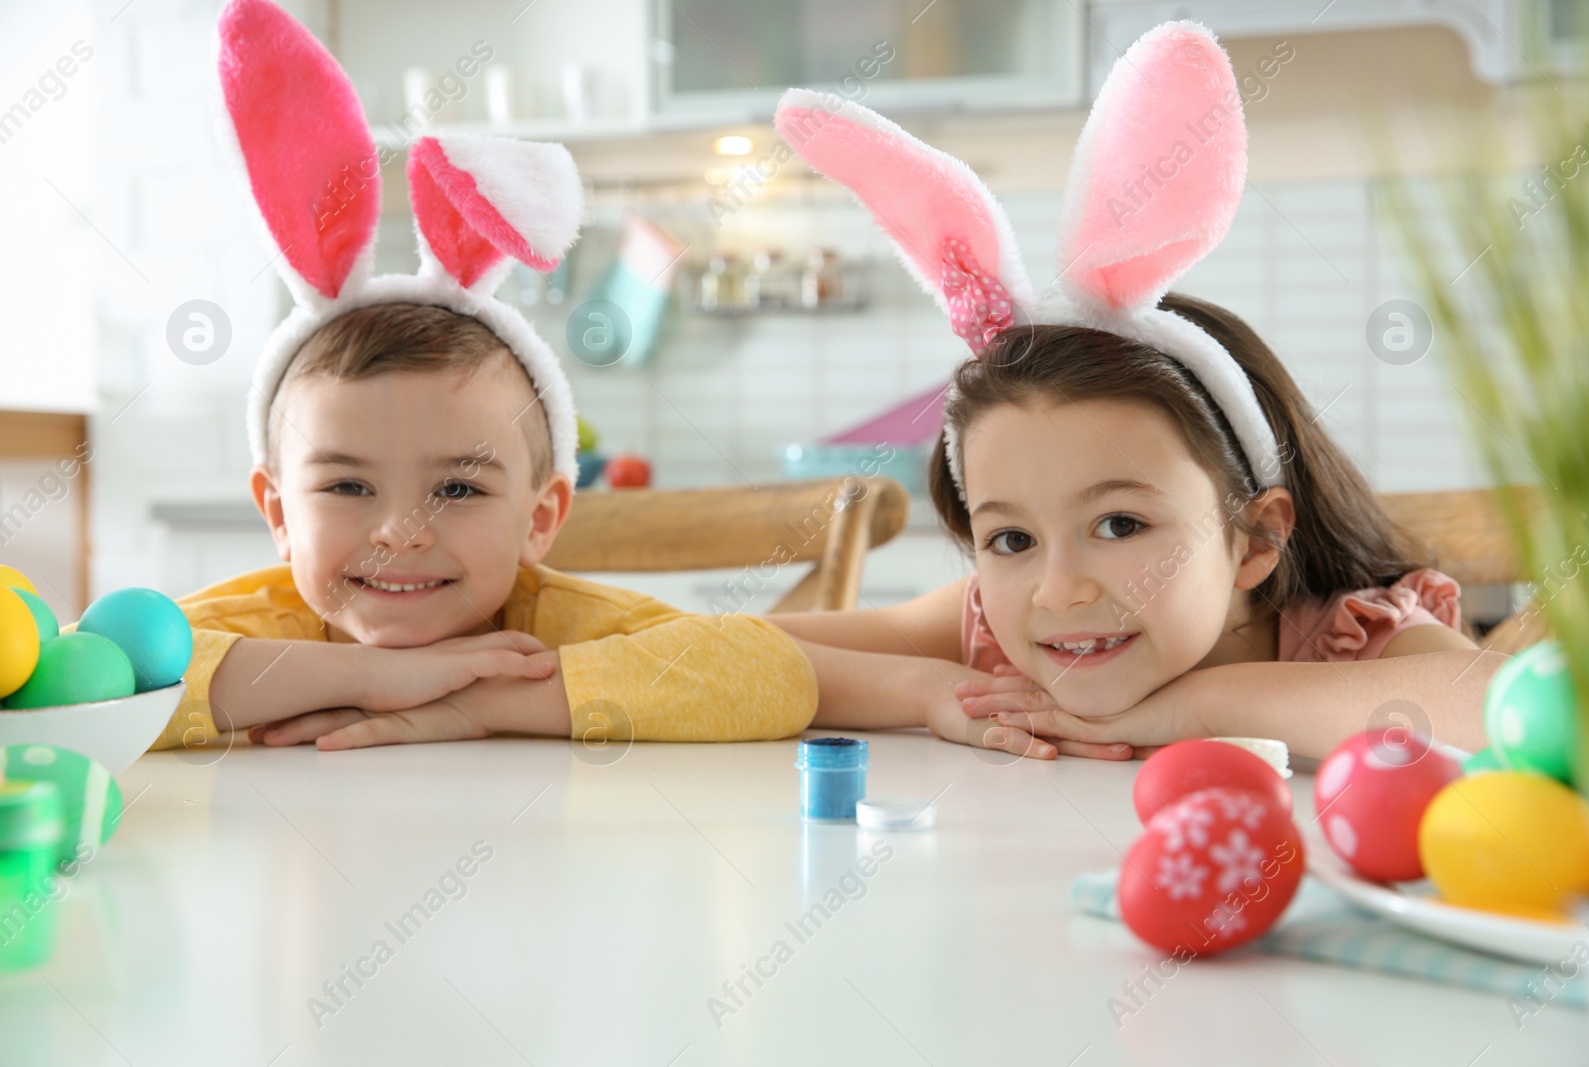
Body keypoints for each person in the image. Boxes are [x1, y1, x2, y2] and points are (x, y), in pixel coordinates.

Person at [763, 22, 1498, 761]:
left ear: (1257, 538)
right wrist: (926, 692)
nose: (1059, 591)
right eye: (1011, 538)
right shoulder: (995, 622)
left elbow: (1513, 708)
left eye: (1119, 524)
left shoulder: (1353, 638)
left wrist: (1200, 708)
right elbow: (722, 649)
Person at [146, 0, 815, 754]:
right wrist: (361, 676)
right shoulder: (266, 618)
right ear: (276, 511)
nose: (401, 532)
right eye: (347, 485)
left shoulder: (555, 618)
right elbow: (76, 677)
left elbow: (769, 673)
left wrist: (484, 701)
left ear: (539, 519)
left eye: (458, 488)